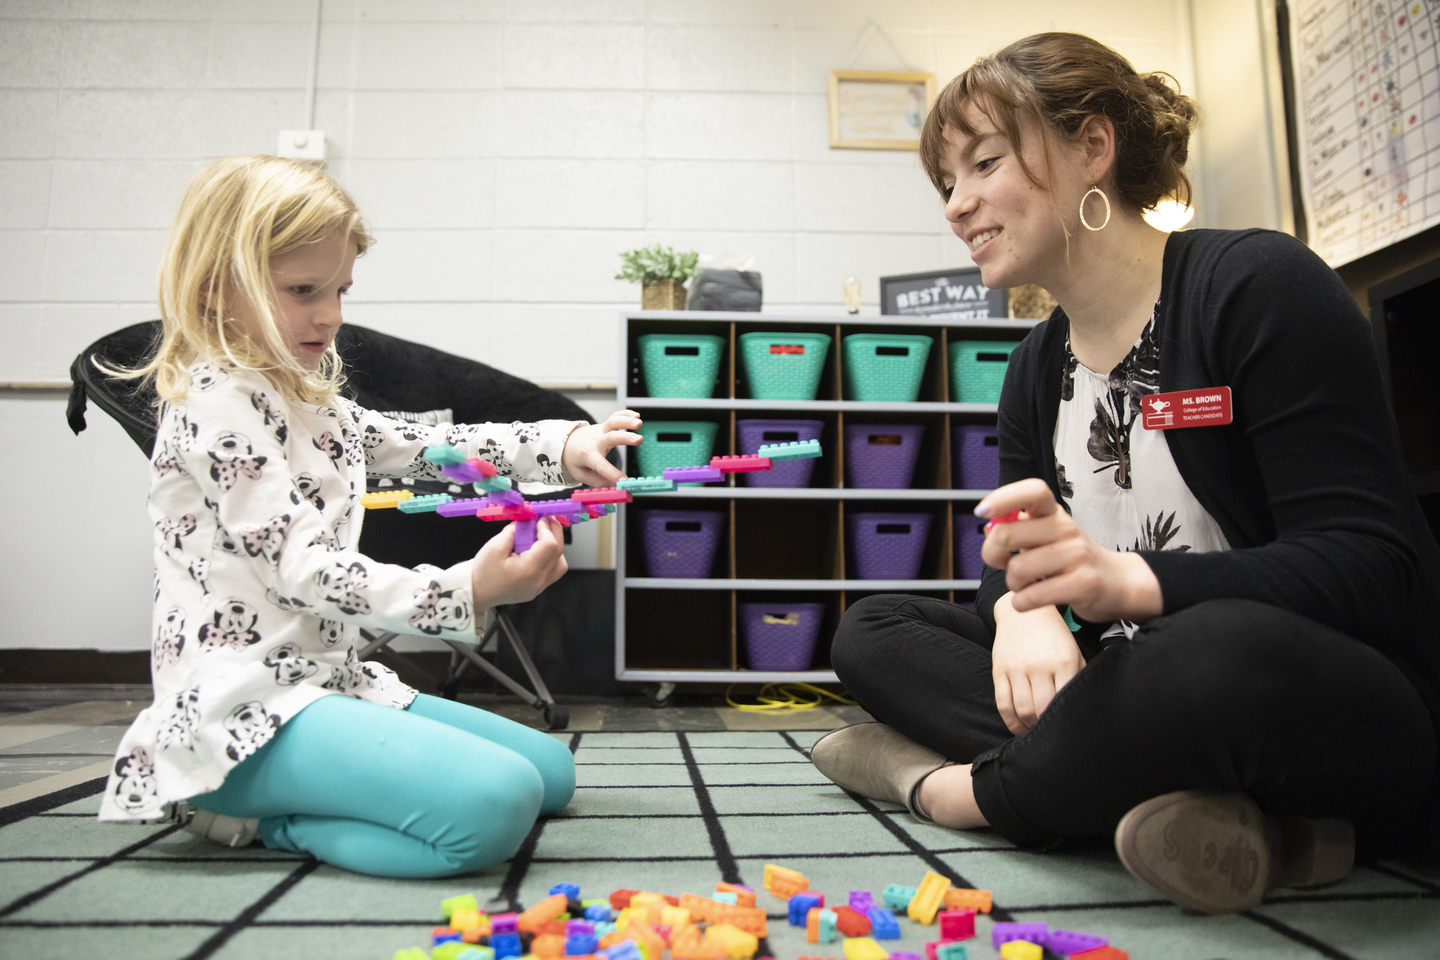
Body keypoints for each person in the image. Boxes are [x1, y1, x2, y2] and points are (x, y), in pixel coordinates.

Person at [811, 33, 1440, 914]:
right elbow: (1013, 559)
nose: (957, 205)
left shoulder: (1256, 285)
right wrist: (1022, 613)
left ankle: (952, 790)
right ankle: (1241, 824)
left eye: (984, 163)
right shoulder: (1035, 367)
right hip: (1131, 684)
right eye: (946, 183)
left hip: (1302, 691)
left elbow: (1373, 565)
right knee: (872, 630)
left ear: (1094, 149)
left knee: (1207, 650)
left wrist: (1132, 583)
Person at [98, 155, 644, 879]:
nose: (330, 314)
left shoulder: (304, 396)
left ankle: (309, 790)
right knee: (497, 805)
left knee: (550, 774)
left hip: (325, 683)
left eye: (340, 289)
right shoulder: (213, 407)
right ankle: (250, 816)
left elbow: (428, 445)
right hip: (242, 714)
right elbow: (303, 568)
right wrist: (467, 592)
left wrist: (562, 444)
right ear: (213, 289)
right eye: (303, 290)